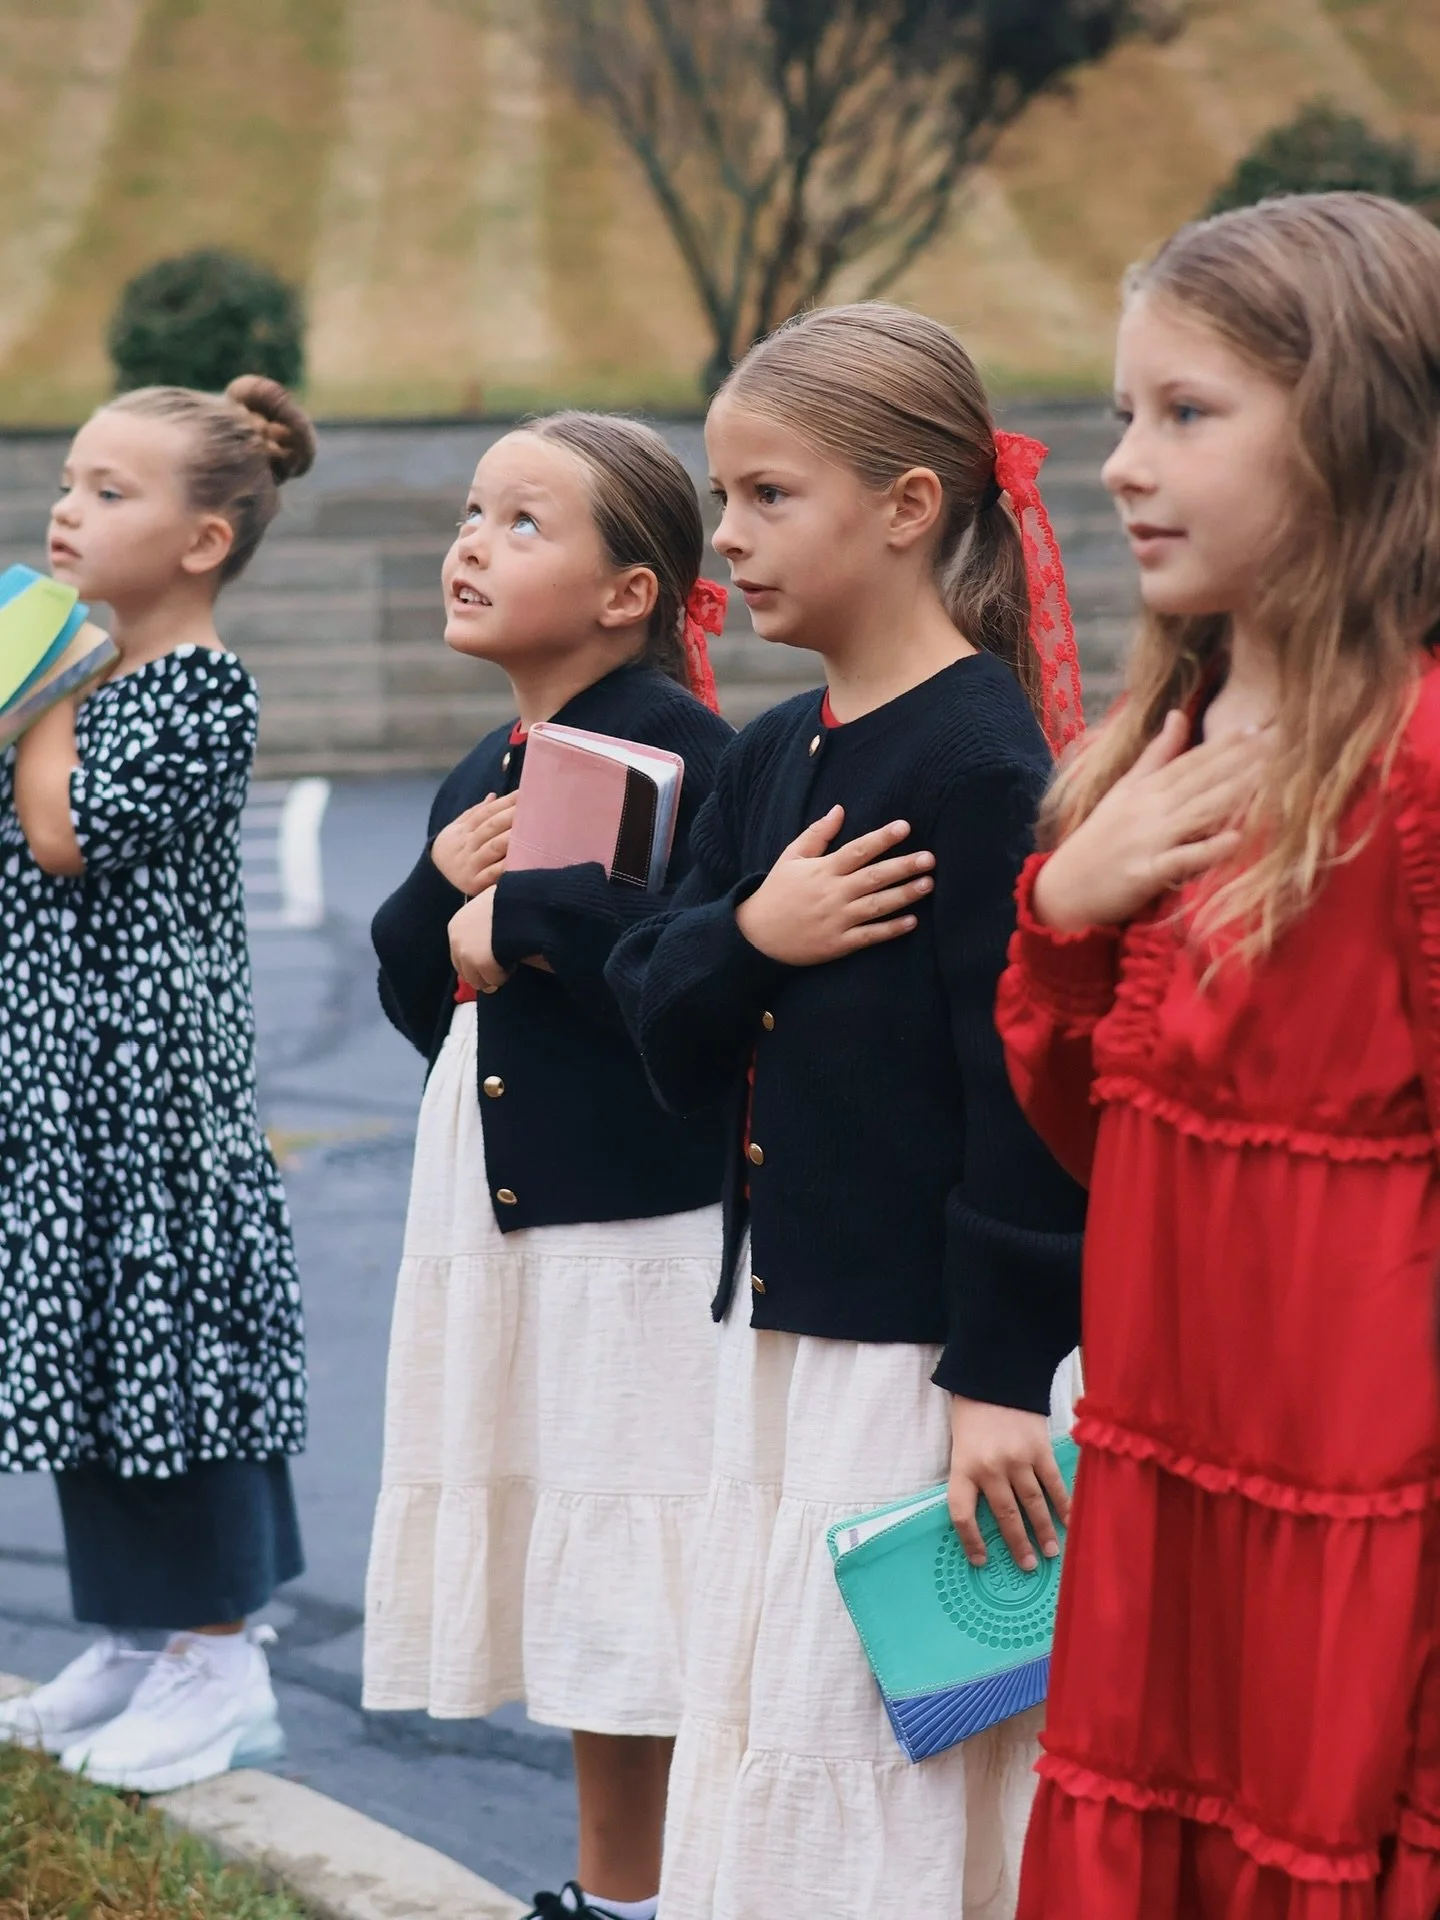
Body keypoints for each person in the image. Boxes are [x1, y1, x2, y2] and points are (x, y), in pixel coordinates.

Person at [605, 303, 1089, 1919]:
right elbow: (659, 1016)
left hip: (921, 1366)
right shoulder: (770, 755)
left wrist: (999, 1377)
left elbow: (1026, 1100)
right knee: (787, 1721)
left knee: (892, 1756)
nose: (728, 538)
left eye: (768, 494)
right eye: (721, 496)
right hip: (788, 1341)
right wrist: (756, 934)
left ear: (909, 506)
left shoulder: (978, 765)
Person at [998, 192, 1440, 1917]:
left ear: (1356, 436)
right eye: (1127, 413)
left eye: (1189, 413)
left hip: (1361, 1507)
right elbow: (1085, 1126)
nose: (1124, 465)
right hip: (1169, 1467)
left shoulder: (1412, 765)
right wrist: (1066, 905)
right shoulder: (1160, 741)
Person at [362, 412, 733, 1920]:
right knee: (591, 1586)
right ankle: (618, 1892)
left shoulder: (677, 747)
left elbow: (682, 977)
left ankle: (670, 1892)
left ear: (629, 593)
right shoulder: (491, 765)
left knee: (642, 1575)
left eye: (523, 523)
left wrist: (512, 919)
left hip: (632, 1233)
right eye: (471, 512)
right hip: (516, 1214)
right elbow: (428, 1003)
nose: (471, 544)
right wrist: (434, 898)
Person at [0, 376, 312, 1791]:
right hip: (60, 1099)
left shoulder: (198, 690)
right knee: (90, 1363)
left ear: (203, 541)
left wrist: (36, 692)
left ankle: (221, 1658)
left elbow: (64, 835)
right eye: (70, 481)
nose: (68, 509)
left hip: (153, 1107)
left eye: (110, 492)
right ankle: (138, 1638)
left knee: (176, 1364)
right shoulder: (90, 680)